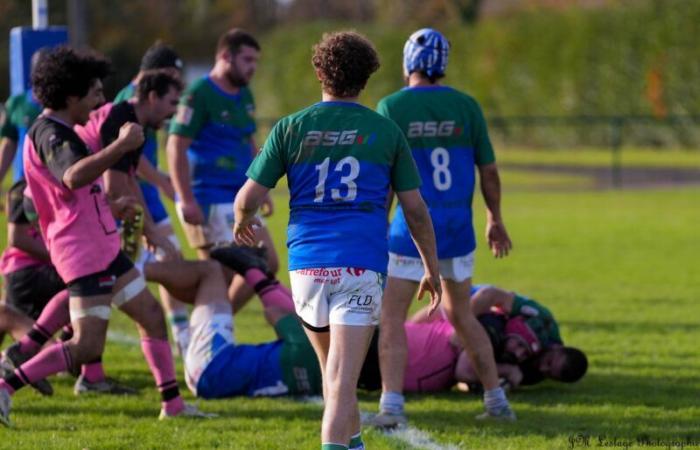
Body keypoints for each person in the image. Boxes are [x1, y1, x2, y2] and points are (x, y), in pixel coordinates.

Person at [233, 31, 441, 450]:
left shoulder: (291, 126)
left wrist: (244, 220)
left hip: (307, 267)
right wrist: (432, 269)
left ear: (319, 73)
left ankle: (355, 442)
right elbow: (415, 210)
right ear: (366, 80)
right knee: (343, 381)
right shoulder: (385, 131)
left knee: (334, 372)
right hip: (359, 265)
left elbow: (248, 198)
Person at [0, 46, 208, 427]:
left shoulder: (62, 129)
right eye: (94, 92)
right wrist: (121, 146)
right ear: (71, 95)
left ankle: (173, 405)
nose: (100, 100)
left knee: (151, 315)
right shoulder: (50, 133)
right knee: (86, 346)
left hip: (101, 243)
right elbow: (73, 176)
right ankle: (6, 385)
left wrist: (112, 209)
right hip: (83, 252)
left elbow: (74, 194)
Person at [371, 28, 514, 427]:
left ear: (407, 63)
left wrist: (375, 228)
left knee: (393, 316)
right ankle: (496, 401)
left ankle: (392, 407)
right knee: (461, 315)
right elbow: (489, 170)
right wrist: (494, 218)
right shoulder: (467, 106)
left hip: (411, 232)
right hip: (458, 230)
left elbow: (385, 178)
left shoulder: (392, 106)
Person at [75, 69, 188, 352]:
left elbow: (129, 180)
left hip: (89, 215)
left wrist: (148, 230)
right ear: (152, 97)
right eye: (172, 103)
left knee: (93, 303)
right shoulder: (121, 120)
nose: (174, 112)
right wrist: (150, 232)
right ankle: (19, 361)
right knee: (127, 307)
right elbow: (115, 187)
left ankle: (90, 376)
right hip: (78, 218)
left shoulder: (137, 126)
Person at [166, 28, 278, 312]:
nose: (252, 67)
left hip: (239, 196)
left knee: (266, 263)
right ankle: (208, 327)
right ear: (226, 56)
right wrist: (186, 199)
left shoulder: (244, 94)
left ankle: (214, 325)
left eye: (256, 61)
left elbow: (249, 140)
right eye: (247, 60)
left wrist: (260, 187)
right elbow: (175, 146)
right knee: (220, 274)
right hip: (209, 196)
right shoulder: (198, 94)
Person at [113, 43, 190, 350]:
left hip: (148, 199)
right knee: (128, 272)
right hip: (129, 199)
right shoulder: (128, 100)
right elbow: (128, 155)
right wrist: (162, 181)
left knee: (171, 259)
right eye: (170, 75)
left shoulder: (156, 100)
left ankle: (181, 334)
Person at [0, 50, 45, 185]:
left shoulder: (65, 103)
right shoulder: (17, 103)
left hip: (54, 183)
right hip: (24, 182)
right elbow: (9, 143)